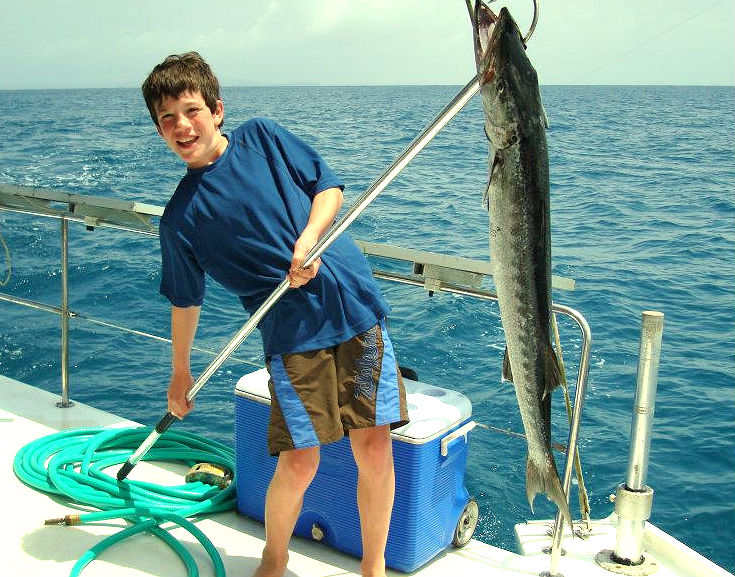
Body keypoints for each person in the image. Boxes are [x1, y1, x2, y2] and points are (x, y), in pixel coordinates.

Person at [141, 52, 409, 577]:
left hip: (355, 307)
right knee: (301, 458)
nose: (181, 126)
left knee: (375, 445)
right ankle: (274, 557)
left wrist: (309, 239)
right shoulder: (179, 219)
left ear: (217, 110)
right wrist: (179, 372)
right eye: (167, 119)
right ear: (159, 130)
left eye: (190, 110)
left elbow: (327, 188)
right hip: (293, 333)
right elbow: (185, 298)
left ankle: (373, 568)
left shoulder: (263, 137)